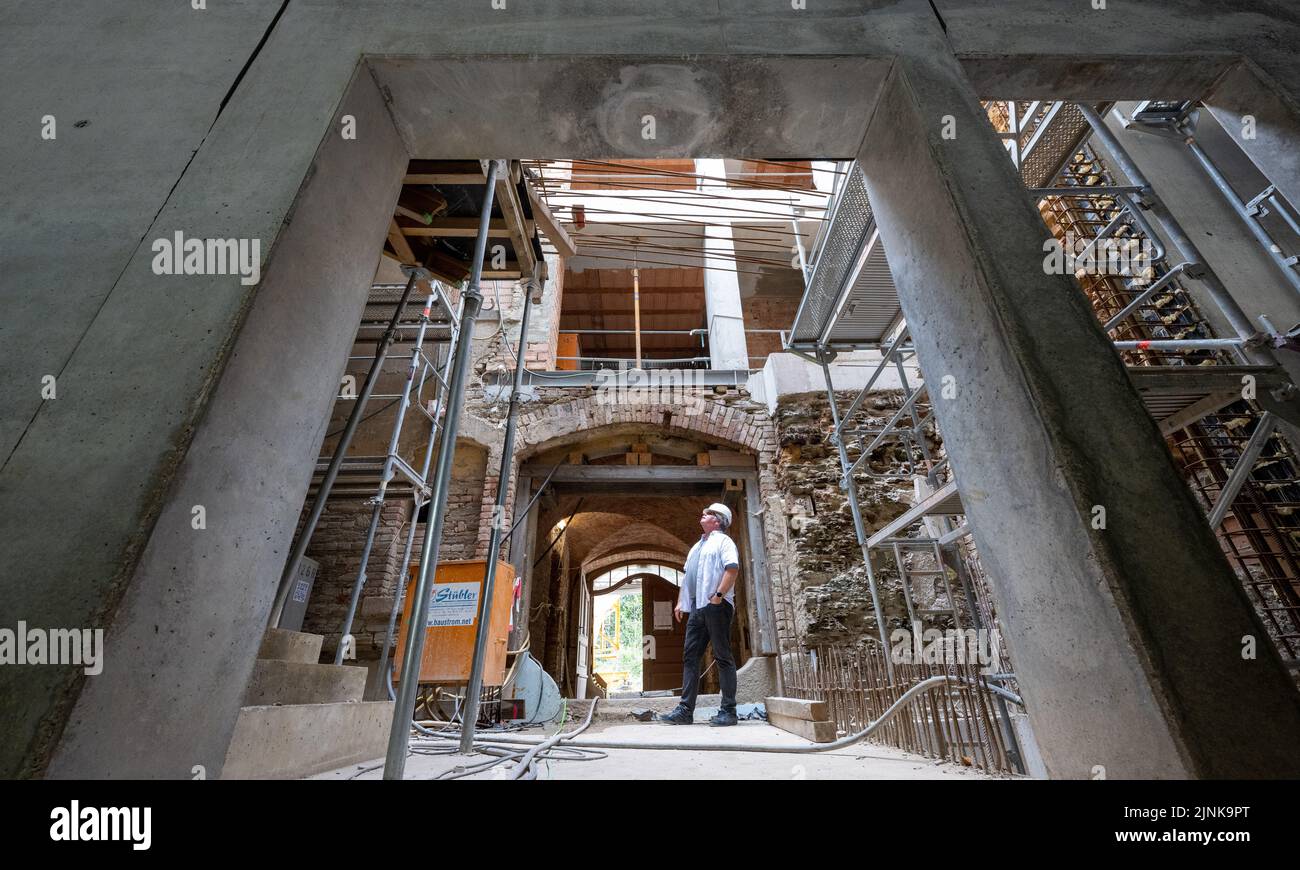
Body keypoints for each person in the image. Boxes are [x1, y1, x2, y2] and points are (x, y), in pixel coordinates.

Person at [657, 502, 740, 727]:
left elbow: (732, 568)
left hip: (717, 605)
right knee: (690, 657)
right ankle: (685, 710)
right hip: (697, 608)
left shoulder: (724, 541)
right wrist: (681, 603)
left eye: (708, 513)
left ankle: (729, 712)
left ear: (718, 519)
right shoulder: (697, 547)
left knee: (722, 656)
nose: (702, 515)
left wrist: (718, 596)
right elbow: (690, 578)